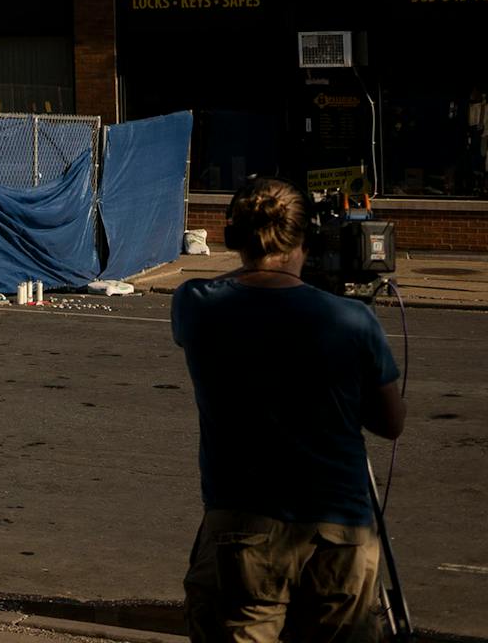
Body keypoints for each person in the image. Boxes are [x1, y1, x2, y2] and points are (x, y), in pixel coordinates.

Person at [172, 177, 405, 642]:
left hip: (242, 525)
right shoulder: (352, 319)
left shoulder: (197, 305)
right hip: (340, 531)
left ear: (232, 238)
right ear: (306, 238)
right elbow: (389, 422)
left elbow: (242, 297)